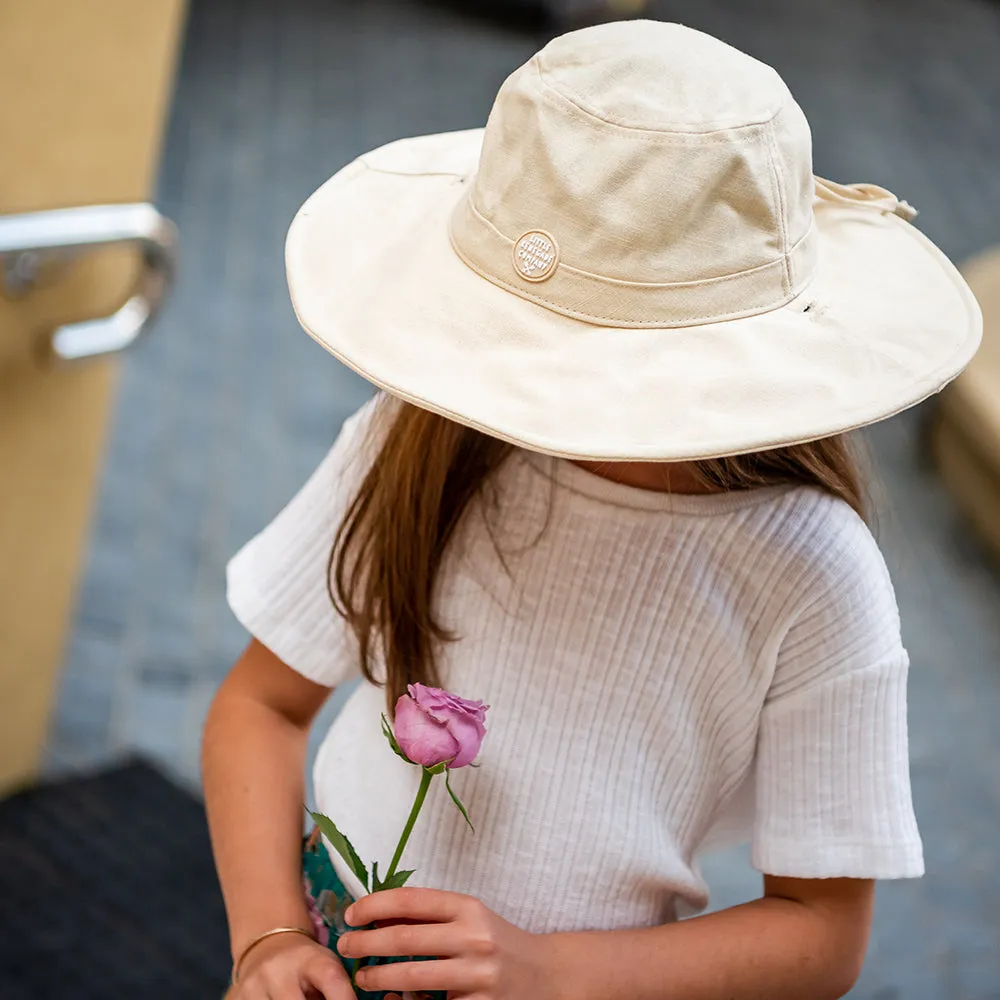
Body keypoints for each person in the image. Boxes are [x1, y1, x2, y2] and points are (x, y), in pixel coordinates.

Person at [202, 20, 982, 1000]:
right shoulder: (421, 437)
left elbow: (820, 933)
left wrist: (547, 968)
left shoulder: (814, 574)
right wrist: (269, 937)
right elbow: (260, 706)